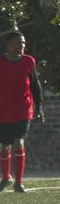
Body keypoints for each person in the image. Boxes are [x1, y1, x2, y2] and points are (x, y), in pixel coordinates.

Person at [0, 30, 45, 193]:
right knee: (5, 147)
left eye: (24, 43)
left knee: (19, 142)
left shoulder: (29, 61)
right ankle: (6, 177)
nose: (22, 46)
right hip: (3, 111)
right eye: (18, 43)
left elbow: (35, 85)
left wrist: (39, 107)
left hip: (23, 109)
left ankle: (18, 183)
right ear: (7, 45)